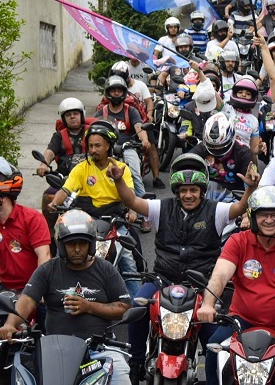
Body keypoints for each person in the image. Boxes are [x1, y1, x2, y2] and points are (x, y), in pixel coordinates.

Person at [106, 152, 259, 383]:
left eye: (194, 190)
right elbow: (131, 202)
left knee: (214, 338)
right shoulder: (161, 208)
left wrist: (249, 189)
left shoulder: (215, 211)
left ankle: (213, 376)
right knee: (137, 309)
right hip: (162, 279)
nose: (189, 195)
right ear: (176, 192)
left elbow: (239, 208)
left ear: (202, 190)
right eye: (184, 190)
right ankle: (136, 362)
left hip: (201, 285)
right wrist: (119, 179)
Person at [197, 186, 275, 385]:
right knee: (213, 348)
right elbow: (220, 276)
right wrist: (207, 304)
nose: (269, 220)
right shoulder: (238, 241)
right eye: (263, 214)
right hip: (241, 322)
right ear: (252, 216)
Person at [0, 209, 133, 385]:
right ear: (61, 245)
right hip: (55, 352)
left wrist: (89, 307)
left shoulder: (106, 270)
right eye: (71, 244)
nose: (77, 249)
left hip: (100, 350)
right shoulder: (47, 270)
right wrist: (9, 325)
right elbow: (27, 299)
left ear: (91, 244)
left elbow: (125, 307)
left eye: (82, 244)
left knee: (122, 379)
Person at [48, 120, 141, 297]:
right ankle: (53, 296)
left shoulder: (121, 169)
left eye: (98, 145)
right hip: (86, 221)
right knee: (61, 256)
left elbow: (130, 196)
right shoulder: (82, 168)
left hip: (114, 221)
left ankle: (135, 306)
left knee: (128, 261)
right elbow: (65, 190)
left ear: (108, 146)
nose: (93, 150)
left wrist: (132, 211)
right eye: (90, 146)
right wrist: (54, 203)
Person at [0, 157, 51, 293]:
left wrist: (37, 291)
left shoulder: (32, 218)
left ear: (2, 197)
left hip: (35, 287)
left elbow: (44, 256)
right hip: (6, 288)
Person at [36, 97, 90, 239]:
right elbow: (50, 152)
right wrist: (44, 164)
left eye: (75, 113)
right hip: (65, 181)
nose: (72, 117)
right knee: (48, 197)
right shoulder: (59, 136)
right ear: (63, 118)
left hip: (90, 178)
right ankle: (50, 238)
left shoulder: (93, 132)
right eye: (68, 114)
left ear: (82, 114)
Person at [109, 61, 164, 191]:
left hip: (140, 119)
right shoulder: (113, 88)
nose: (116, 92)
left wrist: (149, 115)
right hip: (118, 124)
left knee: (151, 146)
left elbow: (149, 102)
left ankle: (156, 177)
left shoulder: (140, 85)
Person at [93, 76, 149, 199]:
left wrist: (144, 140)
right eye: (113, 90)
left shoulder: (131, 111)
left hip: (128, 147)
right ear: (108, 92)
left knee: (134, 174)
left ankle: (143, 203)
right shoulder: (101, 111)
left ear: (124, 92)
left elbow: (139, 127)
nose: (117, 93)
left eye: (119, 90)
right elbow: (93, 129)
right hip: (106, 149)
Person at [190, 112, 254, 195]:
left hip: (235, 196)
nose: (217, 150)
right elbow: (187, 167)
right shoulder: (201, 149)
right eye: (212, 146)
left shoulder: (244, 153)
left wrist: (249, 186)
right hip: (206, 194)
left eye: (221, 146)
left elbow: (249, 185)